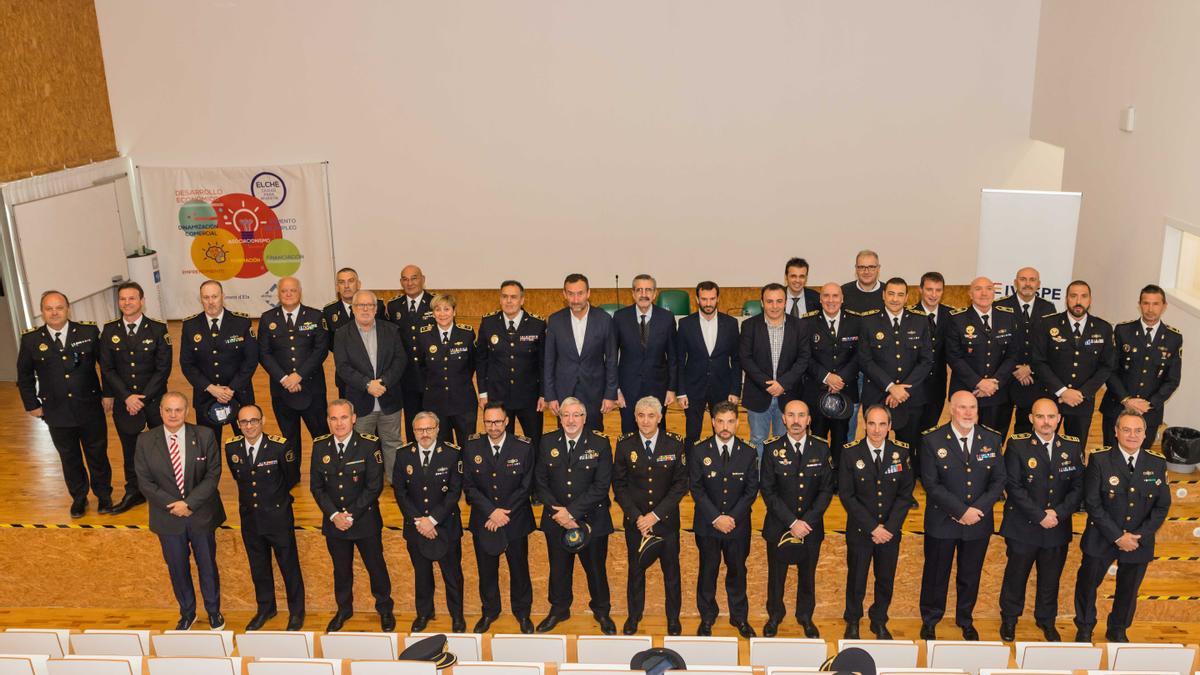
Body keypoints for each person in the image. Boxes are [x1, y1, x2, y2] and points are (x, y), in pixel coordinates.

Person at [1073, 411, 1170, 643]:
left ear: (1146, 434)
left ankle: (1118, 629)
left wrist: (1138, 535)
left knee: (1128, 589)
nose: (1132, 435)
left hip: (1138, 540)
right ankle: (1085, 627)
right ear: (1115, 432)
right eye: (1126, 429)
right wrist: (1118, 536)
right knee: (1088, 583)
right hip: (1102, 536)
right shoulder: (1100, 459)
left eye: (1138, 430)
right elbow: (1093, 503)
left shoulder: (1157, 463)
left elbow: (1162, 506)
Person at [134, 392, 225, 630]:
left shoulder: (205, 435)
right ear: (160, 411)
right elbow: (144, 482)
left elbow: (213, 474)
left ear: (186, 411)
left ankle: (214, 612)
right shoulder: (145, 441)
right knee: (178, 568)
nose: (173, 415)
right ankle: (187, 612)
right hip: (167, 517)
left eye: (178, 410)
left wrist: (189, 504)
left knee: (207, 565)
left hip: (201, 515)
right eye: (168, 410)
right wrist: (174, 505)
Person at [918, 391, 1006, 641]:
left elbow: (999, 480)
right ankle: (931, 619)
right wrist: (960, 511)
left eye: (973, 408)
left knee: (970, 574)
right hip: (942, 522)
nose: (968, 413)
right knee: (936, 574)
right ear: (951, 410)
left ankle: (965, 618)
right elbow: (931, 484)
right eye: (962, 408)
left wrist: (975, 511)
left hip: (978, 522)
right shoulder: (932, 440)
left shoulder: (991, 439)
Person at [18, 290, 113, 518]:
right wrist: (32, 404)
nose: (54, 312)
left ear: (67, 308)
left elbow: (107, 366)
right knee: (69, 457)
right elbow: (24, 376)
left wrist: (108, 394)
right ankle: (79, 498)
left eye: (59, 307)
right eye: (49, 308)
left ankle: (104, 496)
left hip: (90, 407)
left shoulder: (88, 332)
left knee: (97, 454)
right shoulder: (31, 339)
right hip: (56, 411)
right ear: (42, 312)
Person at [998, 398, 1083, 642]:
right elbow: (1012, 485)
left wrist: (1057, 513)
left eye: (1051, 417)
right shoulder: (1017, 445)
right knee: (1016, 577)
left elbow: (1078, 487)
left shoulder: (1072, 446)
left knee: (1050, 578)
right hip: (1023, 526)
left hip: (1057, 526)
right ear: (1031, 418)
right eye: (1040, 417)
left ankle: (1046, 620)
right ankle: (1010, 619)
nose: (1046, 422)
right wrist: (1039, 515)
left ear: (1059, 419)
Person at [310, 399, 394, 632]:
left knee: (376, 567)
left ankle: (385, 608)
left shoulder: (369, 444)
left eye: (344, 417)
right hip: (334, 523)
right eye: (334, 418)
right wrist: (335, 515)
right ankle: (343, 609)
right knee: (341, 570)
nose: (339, 423)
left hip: (364, 520)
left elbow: (374, 486)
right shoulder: (319, 447)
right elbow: (316, 488)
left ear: (354, 418)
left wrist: (351, 514)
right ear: (328, 421)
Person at [534, 397, 616, 634]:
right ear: (559, 418)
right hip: (556, 519)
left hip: (592, 520)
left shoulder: (600, 443)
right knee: (558, 569)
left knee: (596, 569)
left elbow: (601, 486)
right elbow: (540, 482)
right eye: (566, 415)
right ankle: (559, 609)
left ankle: (602, 611)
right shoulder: (547, 442)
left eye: (576, 415)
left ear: (584, 418)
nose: (570, 420)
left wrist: (571, 513)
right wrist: (559, 513)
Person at [225, 404, 305, 631]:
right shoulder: (232, 448)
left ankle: (297, 612)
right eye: (244, 422)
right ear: (239, 425)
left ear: (263, 421)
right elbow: (239, 477)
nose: (249, 426)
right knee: (258, 567)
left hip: (278, 517)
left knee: (289, 566)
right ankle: (266, 608)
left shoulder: (280, 447)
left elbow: (290, 478)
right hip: (250, 519)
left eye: (253, 421)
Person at [838, 405, 915, 640]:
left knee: (885, 579)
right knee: (857, 579)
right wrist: (873, 527)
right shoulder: (850, 453)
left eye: (882, 424)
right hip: (861, 531)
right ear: (864, 424)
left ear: (890, 426)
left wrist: (889, 528)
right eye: (872, 423)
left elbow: (905, 494)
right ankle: (853, 620)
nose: (877, 429)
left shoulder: (901, 452)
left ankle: (879, 619)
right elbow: (847, 495)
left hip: (890, 533)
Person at [612, 397, 688, 636]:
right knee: (636, 571)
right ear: (635, 418)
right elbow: (619, 485)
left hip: (665, 522)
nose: (646, 421)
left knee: (671, 572)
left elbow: (680, 485)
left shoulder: (675, 444)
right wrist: (638, 517)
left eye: (651, 415)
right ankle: (634, 616)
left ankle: (673, 618)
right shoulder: (625, 445)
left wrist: (654, 516)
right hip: (637, 524)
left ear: (660, 417)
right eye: (641, 416)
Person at [760, 400, 834, 639]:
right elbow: (768, 491)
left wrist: (806, 522)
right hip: (779, 526)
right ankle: (774, 616)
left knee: (807, 576)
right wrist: (792, 523)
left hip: (811, 528)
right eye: (791, 415)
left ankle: (805, 617)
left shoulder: (821, 448)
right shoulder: (771, 449)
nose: (796, 420)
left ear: (809, 419)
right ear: (783, 419)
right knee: (776, 577)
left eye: (801, 415)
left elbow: (826, 490)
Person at [99, 281, 172, 514]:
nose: (127, 303)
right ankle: (134, 492)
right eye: (122, 299)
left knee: (162, 447)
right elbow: (107, 368)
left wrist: (141, 398)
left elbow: (163, 369)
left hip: (154, 401)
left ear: (142, 301)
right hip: (125, 403)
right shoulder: (110, 330)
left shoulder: (158, 329)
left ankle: (166, 490)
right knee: (129, 449)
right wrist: (126, 397)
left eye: (132, 298)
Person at [463, 403, 536, 634]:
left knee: (519, 569)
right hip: (485, 520)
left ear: (506, 421)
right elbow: (469, 486)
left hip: (515, 519)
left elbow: (526, 486)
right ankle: (490, 611)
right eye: (488, 422)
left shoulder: (523, 447)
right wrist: (491, 512)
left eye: (497, 422)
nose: (493, 427)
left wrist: (503, 512)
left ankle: (522, 612)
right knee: (487, 570)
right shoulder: (472, 445)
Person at [689, 401, 758, 638]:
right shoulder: (699, 450)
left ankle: (739, 617)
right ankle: (707, 616)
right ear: (713, 423)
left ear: (738, 422)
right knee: (708, 571)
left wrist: (731, 518)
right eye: (720, 421)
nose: (725, 427)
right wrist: (716, 518)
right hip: (708, 526)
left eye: (730, 421)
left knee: (737, 571)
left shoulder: (748, 452)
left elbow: (751, 491)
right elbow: (696, 489)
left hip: (737, 527)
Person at [393, 411, 466, 633]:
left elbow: (454, 492)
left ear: (437, 429)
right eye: (419, 430)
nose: (424, 434)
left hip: (446, 526)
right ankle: (424, 613)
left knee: (452, 576)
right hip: (416, 529)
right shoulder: (404, 454)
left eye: (429, 429)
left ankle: (457, 616)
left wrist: (432, 520)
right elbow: (400, 491)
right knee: (422, 575)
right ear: (413, 431)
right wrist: (420, 522)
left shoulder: (452, 454)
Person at [1032, 280, 1115, 449]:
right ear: (1066, 299)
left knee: (1076, 448)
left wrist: (1082, 393)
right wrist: (1062, 391)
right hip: (1051, 397)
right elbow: (1039, 361)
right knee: (1041, 446)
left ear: (1090, 300)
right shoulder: (1047, 324)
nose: (1078, 301)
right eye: (1073, 296)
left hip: (1082, 401)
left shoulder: (1103, 328)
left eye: (1084, 296)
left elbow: (1106, 366)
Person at [333, 290, 406, 483]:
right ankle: (365, 482)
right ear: (353, 309)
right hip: (360, 400)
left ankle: (395, 480)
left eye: (370, 305)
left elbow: (400, 360)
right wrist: (367, 384)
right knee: (361, 445)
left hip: (388, 398)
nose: (365, 309)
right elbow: (343, 367)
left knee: (392, 442)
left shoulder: (391, 330)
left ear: (376, 309)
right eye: (360, 305)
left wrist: (383, 383)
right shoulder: (342, 334)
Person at [1100, 284, 1183, 448]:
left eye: (1155, 304)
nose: (1150, 309)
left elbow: (1172, 380)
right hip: (1117, 407)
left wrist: (1149, 404)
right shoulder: (1123, 331)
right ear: (1139, 305)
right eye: (1146, 303)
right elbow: (1110, 369)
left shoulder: (1173, 338)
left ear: (1164, 306)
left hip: (1149, 413)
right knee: (1109, 458)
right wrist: (1126, 400)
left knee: (1140, 462)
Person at [858, 277, 933, 456]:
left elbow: (926, 360)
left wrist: (903, 390)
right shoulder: (869, 321)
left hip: (910, 397)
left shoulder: (920, 321)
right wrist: (891, 387)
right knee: (874, 445)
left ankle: (906, 483)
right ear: (883, 295)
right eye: (891, 294)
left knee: (908, 447)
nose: (895, 299)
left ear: (907, 297)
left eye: (900, 295)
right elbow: (865, 360)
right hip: (877, 394)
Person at [257, 277, 329, 455]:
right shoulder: (267, 319)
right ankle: (291, 478)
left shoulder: (315, 316)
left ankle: (327, 475)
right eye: (284, 291)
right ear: (278, 293)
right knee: (289, 438)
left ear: (300, 291)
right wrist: (284, 378)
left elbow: (321, 350)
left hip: (312, 388)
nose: (288, 294)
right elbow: (264, 353)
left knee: (321, 436)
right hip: (282, 390)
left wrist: (299, 375)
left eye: (293, 290)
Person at [179, 280, 257, 442]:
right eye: (206, 297)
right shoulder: (190, 325)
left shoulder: (241, 322)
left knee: (246, 443)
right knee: (209, 447)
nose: (210, 301)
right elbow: (187, 364)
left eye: (214, 296)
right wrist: (211, 388)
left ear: (223, 296)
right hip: (206, 396)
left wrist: (231, 389)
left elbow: (250, 360)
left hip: (239, 395)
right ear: (201, 299)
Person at [739, 283, 811, 457]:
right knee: (758, 440)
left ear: (785, 302)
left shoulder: (800, 326)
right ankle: (759, 481)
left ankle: (782, 482)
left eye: (779, 301)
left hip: (788, 395)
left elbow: (803, 359)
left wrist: (783, 384)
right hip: (758, 394)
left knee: (785, 440)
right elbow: (745, 359)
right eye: (769, 301)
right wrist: (769, 384)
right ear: (762, 303)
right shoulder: (749, 325)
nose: (774, 306)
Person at [543, 274, 618, 433]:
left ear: (588, 293)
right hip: (563, 391)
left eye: (580, 293)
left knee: (594, 436)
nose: (575, 299)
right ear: (564, 294)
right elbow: (549, 361)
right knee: (565, 436)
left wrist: (610, 394)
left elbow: (611, 360)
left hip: (594, 391)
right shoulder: (555, 321)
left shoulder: (604, 320)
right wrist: (550, 396)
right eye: (570, 293)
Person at [476, 280, 546, 447]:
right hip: (498, 397)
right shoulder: (488, 323)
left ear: (522, 300)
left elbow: (543, 363)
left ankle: (533, 474)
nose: (509, 301)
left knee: (534, 442)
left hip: (530, 398)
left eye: (513, 297)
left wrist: (544, 394)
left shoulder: (538, 325)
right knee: (501, 443)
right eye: (505, 296)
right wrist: (483, 393)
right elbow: (481, 360)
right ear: (500, 299)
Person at [945, 276, 1020, 432]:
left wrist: (995, 382)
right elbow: (954, 357)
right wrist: (979, 382)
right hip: (967, 392)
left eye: (989, 289)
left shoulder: (1008, 317)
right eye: (978, 289)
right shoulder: (957, 319)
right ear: (970, 294)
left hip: (997, 393)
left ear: (994, 293)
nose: (984, 293)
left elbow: (1013, 355)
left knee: (994, 442)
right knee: (963, 441)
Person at [675, 281, 741, 450]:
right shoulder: (685, 324)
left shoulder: (731, 323)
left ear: (718, 299)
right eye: (704, 299)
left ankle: (720, 468)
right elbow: (679, 360)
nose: (708, 303)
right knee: (692, 434)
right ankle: (691, 472)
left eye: (712, 299)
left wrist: (735, 390)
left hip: (722, 387)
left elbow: (736, 359)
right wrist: (681, 392)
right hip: (692, 388)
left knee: (722, 432)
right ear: (697, 299)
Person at [803, 282, 862, 465]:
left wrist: (840, 378)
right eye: (826, 296)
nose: (831, 300)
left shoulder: (856, 322)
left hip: (844, 390)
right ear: (820, 299)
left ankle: (838, 477)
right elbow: (805, 357)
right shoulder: (807, 323)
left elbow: (861, 355)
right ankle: (819, 476)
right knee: (818, 437)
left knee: (841, 437)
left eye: (835, 296)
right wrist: (827, 377)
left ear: (842, 299)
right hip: (817, 390)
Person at [613, 274, 678, 434]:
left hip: (658, 388)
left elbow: (673, 357)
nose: (644, 294)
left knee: (657, 431)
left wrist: (671, 388)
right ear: (633, 293)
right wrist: (616, 389)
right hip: (628, 389)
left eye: (648, 290)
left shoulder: (667, 318)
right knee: (629, 432)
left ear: (655, 293)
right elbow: (611, 357)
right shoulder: (620, 318)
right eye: (639, 290)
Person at [995, 267, 1056, 435]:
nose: (1027, 284)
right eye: (1023, 279)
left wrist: (1030, 368)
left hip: (1032, 380)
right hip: (1004, 378)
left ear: (1038, 284)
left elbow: (1049, 347)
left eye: (1032, 280)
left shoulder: (1048, 309)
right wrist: (1014, 368)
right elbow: (994, 345)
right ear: (1015, 283)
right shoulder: (999, 306)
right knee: (996, 430)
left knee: (1025, 431)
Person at [415, 294, 478, 446]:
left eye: (446, 309)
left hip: (463, 402)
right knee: (442, 448)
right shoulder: (424, 335)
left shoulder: (467, 334)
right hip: (436, 403)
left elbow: (472, 365)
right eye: (438, 309)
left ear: (454, 311)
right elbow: (422, 367)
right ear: (433, 313)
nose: (442, 313)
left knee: (468, 446)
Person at [385, 264, 435, 441]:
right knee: (413, 423)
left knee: (434, 423)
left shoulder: (436, 303)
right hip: (406, 377)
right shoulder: (393, 306)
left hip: (432, 376)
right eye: (405, 279)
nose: (410, 283)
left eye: (414, 278)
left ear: (423, 279)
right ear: (400, 282)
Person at [323, 267, 386, 399]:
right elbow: (330, 342)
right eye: (341, 282)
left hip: (376, 376)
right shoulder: (329, 311)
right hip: (347, 377)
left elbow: (386, 337)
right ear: (337, 287)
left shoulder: (377, 306)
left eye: (351, 281)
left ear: (359, 284)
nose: (346, 286)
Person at [912, 272, 954, 433]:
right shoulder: (909, 315)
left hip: (937, 387)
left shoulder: (951, 316)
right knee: (910, 434)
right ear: (920, 290)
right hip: (913, 387)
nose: (934, 294)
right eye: (929, 289)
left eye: (938, 290)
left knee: (930, 434)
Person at [841, 250, 885, 314]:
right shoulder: (843, 291)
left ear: (878, 268)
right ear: (856, 269)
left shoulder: (888, 292)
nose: (866, 272)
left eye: (871, 267)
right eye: (861, 267)